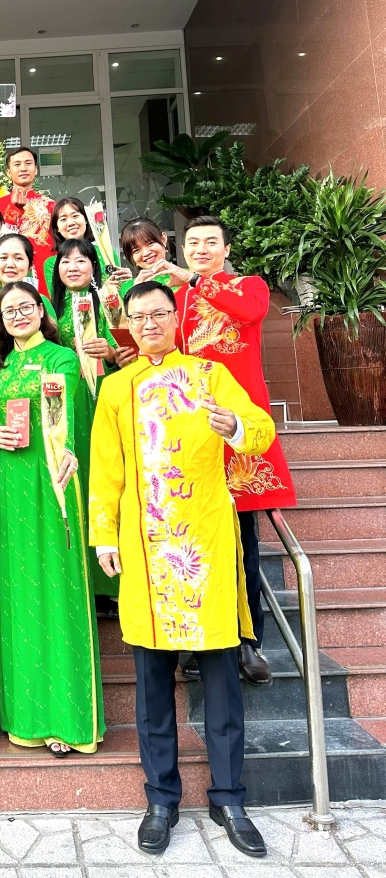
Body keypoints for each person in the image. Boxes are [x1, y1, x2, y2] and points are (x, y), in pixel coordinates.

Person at [90, 281, 275, 859]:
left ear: (176, 318)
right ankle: (161, 799)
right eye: (138, 316)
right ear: (127, 323)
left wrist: (235, 428)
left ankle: (230, 798)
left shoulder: (211, 375)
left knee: (221, 682)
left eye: (159, 314)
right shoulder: (117, 387)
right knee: (152, 689)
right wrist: (103, 535)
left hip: (205, 546)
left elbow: (261, 431)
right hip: (146, 550)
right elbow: (105, 468)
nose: (149, 323)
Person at [0, 281, 103, 757]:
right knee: (20, 593)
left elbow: (65, 412)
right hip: (12, 485)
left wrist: (67, 451)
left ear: (41, 310)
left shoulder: (61, 357)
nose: (17, 315)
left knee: (58, 587)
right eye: (8, 310)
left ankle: (67, 719)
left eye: (25, 307)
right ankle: (27, 717)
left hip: (53, 476)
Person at [172, 215, 297, 685]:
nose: (200, 249)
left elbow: (247, 314)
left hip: (239, 427)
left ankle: (248, 640)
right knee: (190, 537)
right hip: (192, 430)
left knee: (243, 541)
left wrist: (196, 282)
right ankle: (195, 638)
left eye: (210, 242)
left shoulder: (250, 286)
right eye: (192, 242)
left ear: (226, 250)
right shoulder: (177, 299)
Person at [51, 238, 130, 606]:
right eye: (66, 261)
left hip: (104, 397)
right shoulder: (48, 308)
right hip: (65, 404)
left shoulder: (111, 301)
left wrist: (111, 354)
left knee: (106, 477)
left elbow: (131, 352)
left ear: (93, 266)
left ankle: (112, 580)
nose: (73, 267)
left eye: (81, 260)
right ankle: (80, 576)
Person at [0, 233, 55, 353]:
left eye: (18, 258)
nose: (10, 264)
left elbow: (53, 345)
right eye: (3, 258)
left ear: (30, 265)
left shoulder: (40, 301)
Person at [0, 147, 55, 294]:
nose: (23, 168)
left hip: (44, 275)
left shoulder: (51, 206)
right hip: (7, 273)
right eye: (17, 164)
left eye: (28, 163)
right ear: (8, 172)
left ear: (35, 170)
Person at [119, 218, 183, 296]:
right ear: (132, 257)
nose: (146, 253)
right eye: (136, 250)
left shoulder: (188, 276)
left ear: (163, 239)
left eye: (150, 243)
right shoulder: (127, 288)